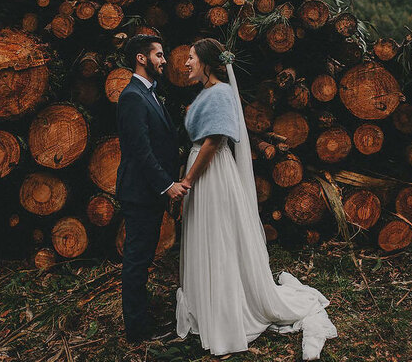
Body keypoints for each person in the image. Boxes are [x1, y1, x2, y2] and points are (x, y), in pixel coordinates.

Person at [174, 38, 338, 360]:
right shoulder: (205, 93)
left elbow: (213, 141)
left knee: (218, 237)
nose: (186, 63)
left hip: (211, 174)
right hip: (200, 169)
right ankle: (205, 305)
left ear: (206, 62)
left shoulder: (220, 92)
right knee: (205, 237)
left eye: (191, 58)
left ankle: (225, 311)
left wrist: (189, 179)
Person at [116, 34, 190, 344]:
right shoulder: (133, 96)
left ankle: (142, 318)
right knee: (136, 260)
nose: (164, 60)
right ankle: (136, 329)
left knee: (143, 258)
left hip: (147, 193)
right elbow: (140, 150)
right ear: (141, 58)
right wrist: (166, 185)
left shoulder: (150, 94)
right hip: (140, 192)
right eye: (158, 55)